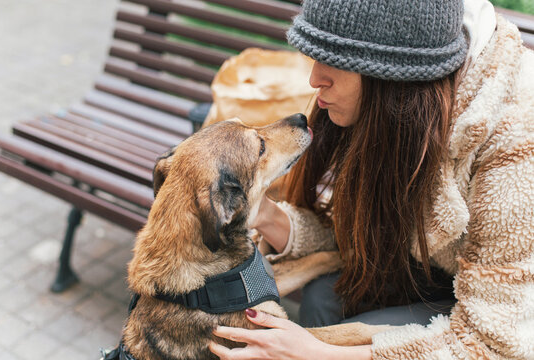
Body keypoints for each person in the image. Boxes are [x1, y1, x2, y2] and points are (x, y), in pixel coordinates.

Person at [210, 0, 534, 358]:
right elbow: (360, 236)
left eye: (334, 58)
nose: (314, 78)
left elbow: (493, 344)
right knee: (324, 297)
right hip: (437, 271)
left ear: (393, 71)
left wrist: (319, 354)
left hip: (512, 314)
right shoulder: (400, 107)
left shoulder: (517, 134)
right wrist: (268, 216)